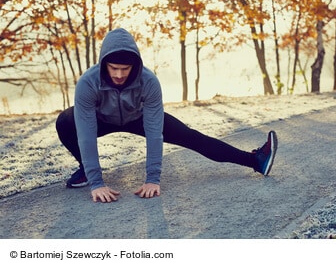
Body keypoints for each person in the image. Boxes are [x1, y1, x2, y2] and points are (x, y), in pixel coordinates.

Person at [56, 28, 278, 203]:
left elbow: (154, 133)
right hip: (101, 118)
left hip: (138, 117)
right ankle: (86, 171)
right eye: (114, 68)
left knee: (191, 137)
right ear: (104, 63)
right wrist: (97, 183)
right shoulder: (88, 82)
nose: (120, 74)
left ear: (135, 64)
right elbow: (85, 134)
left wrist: (153, 179)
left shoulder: (149, 81)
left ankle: (255, 160)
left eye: (126, 68)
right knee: (65, 121)